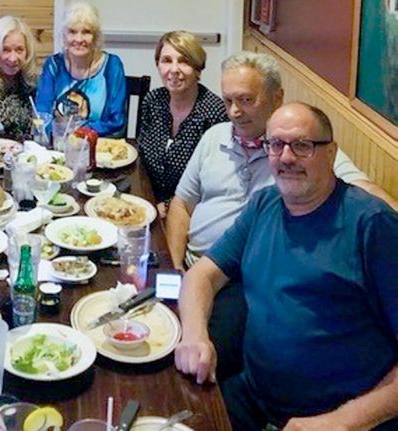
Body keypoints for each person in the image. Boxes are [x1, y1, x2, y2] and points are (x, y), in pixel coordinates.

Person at [166, 51, 395, 381]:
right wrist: (174, 266)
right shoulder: (216, 138)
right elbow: (181, 205)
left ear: (276, 97)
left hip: (242, 278)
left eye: (246, 99)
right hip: (198, 267)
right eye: (228, 99)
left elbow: (365, 193)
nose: (235, 111)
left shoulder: (307, 153)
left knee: (192, 368)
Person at [137, 31, 228, 215]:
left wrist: (167, 207)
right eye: (167, 60)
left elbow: (210, 185)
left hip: (190, 212)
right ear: (158, 64)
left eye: (184, 61)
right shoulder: (153, 101)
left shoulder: (215, 114)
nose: (174, 69)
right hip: (147, 204)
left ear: (197, 69)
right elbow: (141, 160)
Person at [35, 1, 127, 137]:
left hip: (99, 149)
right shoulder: (53, 65)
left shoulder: (112, 66)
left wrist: (77, 133)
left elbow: (116, 121)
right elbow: (42, 113)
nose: (79, 39)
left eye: (86, 32)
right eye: (72, 32)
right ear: (64, 35)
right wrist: (57, 135)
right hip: (58, 148)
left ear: (95, 37)